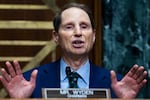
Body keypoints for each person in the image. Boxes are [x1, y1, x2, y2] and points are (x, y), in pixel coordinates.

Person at [0, 2, 147, 98]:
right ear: (56, 37)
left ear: (94, 36)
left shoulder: (117, 85)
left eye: (84, 27)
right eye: (69, 27)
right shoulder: (29, 82)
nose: (78, 33)